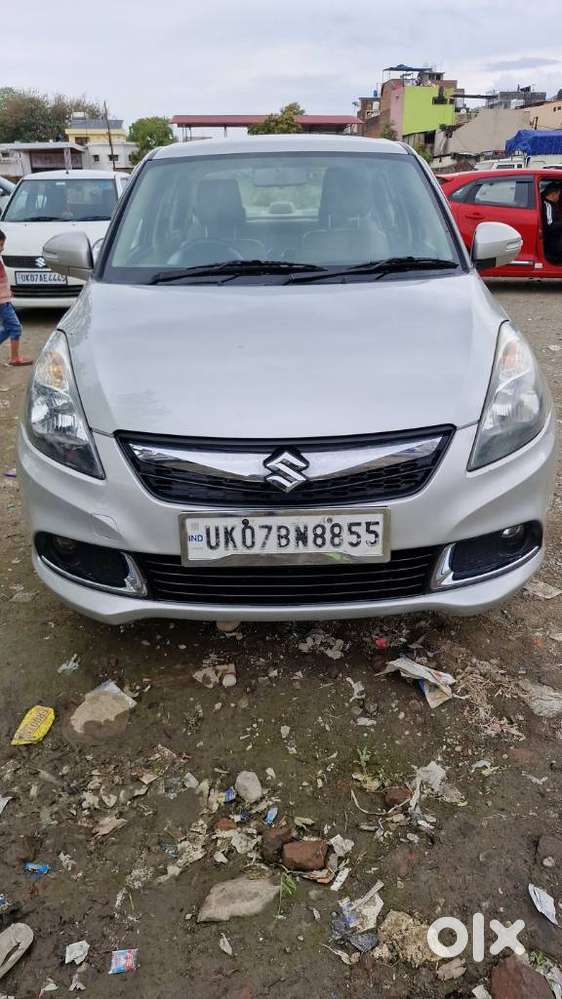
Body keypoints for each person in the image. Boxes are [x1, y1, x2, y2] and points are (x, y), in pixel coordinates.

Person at [0, 229, 32, 366]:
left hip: (4, 300)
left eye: (2, 245)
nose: (2, 248)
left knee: (9, 328)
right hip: (2, 302)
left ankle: (15, 357)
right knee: (15, 328)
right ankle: (14, 358)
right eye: (0, 244)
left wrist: (8, 291)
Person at [542, 181, 562, 264]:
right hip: (552, 241)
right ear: (553, 194)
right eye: (559, 194)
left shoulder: (552, 204)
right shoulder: (548, 205)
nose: (559, 197)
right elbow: (550, 226)